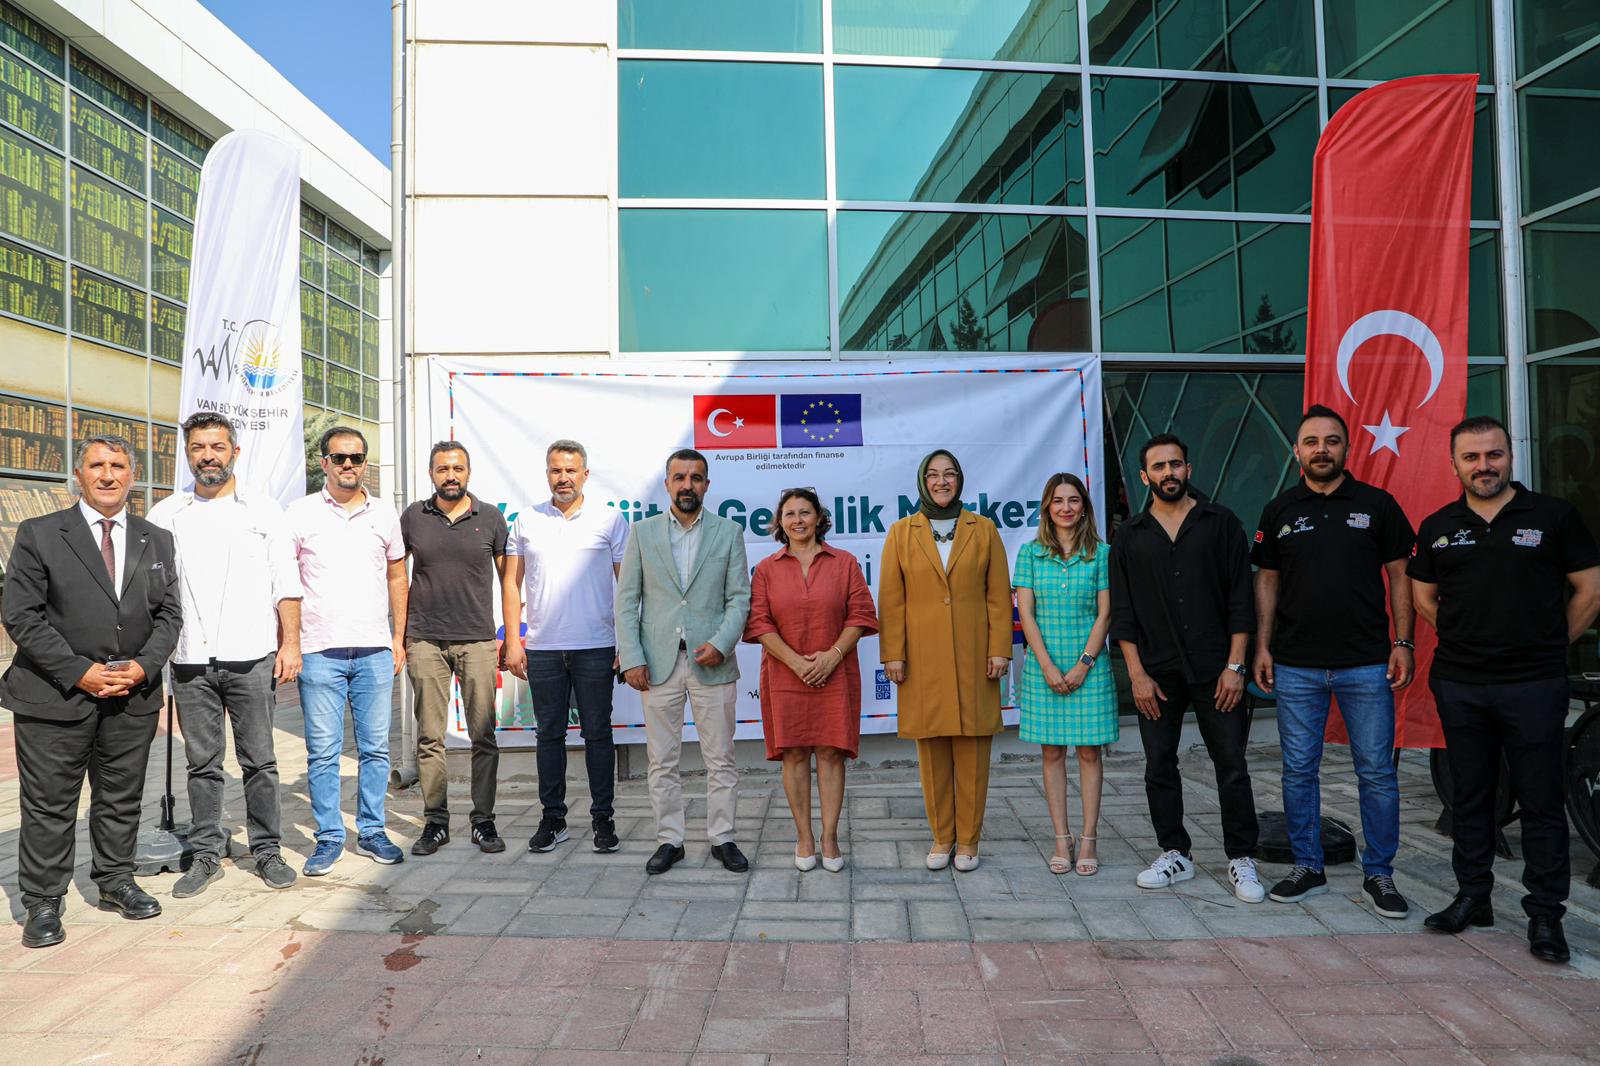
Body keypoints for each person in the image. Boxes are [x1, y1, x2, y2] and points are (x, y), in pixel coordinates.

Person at [1411, 415, 1600, 963]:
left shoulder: (1553, 516)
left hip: (1534, 684)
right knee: (1470, 797)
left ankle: (1545, 914)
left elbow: (1590, 591)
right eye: (1471, 457)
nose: (1483, 466)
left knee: (1541, 799)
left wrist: (1548, 645)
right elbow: (1423, 596)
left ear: (1509, 456)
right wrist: (1463, 637)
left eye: (1493, 454)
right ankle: (1474, 897)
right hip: (1460, 682)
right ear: (1454, 464)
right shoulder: (1438, 525)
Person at [1, 435, 181, 948]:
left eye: (118, 465)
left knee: (121, 797)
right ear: (78, 475)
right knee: (49, 805)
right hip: (54, 695)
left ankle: (115, 880)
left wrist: (144, 667)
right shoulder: (40, 533)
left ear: (132, 475)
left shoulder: (156, 538)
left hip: (131, 695)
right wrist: (78, 671)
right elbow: (21, 616)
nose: (108, 474)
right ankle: (43, 901)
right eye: (97, 465)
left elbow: (169, 614)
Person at [1252, 405, 1415, 918]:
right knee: (1299, 771)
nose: (1321, 449)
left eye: (1331, 440)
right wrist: (1262, 646)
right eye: (1311, 441)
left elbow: (1401, 575)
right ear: (1296, 451)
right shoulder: (1279, 509)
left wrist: (1403, 642)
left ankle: (1380, 873)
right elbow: (1267, 581)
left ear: (1347, 447)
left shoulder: (1377, 505)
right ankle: (1308, 865)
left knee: (1377, 772)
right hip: (1296, 664)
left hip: (1366, 663)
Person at [147, 413, 303, 898]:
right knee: (202, 764)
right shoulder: (165, 515)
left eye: (217, 446)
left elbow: (286, 583)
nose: (208, 456)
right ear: (187, 453)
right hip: (190, 660)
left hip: (252, 656)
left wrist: (291, 644)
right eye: (198, 447)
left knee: (260, 761)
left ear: (234, 451)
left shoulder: (264, 511)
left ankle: (267, 850)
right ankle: (206, 854)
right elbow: (151, 590)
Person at [1109, 433, 1264, 903]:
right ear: (1145, 477)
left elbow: (1241, 599)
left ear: (1188, 469)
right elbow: (1123, 613)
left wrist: (1236, 666)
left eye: (1175, 464)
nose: (1168, 473)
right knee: (1159, 764)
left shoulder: (1221, 523)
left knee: (1231, 764)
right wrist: (1136, 674)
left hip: (1217, 670)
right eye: (1158, 467)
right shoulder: (1130, 535)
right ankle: (1175, 852)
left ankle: (1242, 857)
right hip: (1156, 674)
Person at [615, 448, 752, 875]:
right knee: (662, 760)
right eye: (679, 478)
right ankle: (669, 840)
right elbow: (627, 601)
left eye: (695, 478)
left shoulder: (728, 532)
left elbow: (739, 598)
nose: (687, 485)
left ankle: (722, 837)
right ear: (667, 484)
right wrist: (632, 657)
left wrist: (722, 643)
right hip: (658, 665)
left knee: (721, 758)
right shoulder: (643, 533)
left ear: (707, 485)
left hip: (713, 662)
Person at [879, 450, 1011, 872]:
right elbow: (892, 601)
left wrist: (999, 648)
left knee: (973, 751)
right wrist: (893, 655)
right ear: (923, 482)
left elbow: (998, 596)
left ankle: (969, 841)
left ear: (960, 480)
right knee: (932, 751)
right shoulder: (901, 533)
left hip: (975, 657)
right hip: (922, 660)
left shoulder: (983, 529)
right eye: (933, 475)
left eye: (949, 474)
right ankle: (942, 837)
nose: (941, 482)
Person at [286, 426, 409, 876]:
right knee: (323, 752)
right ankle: (329, 837)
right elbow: (286, 583)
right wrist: (291, 644)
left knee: (375, 750)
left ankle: (372, 830)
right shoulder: (300, 514)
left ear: (365, 462)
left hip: (374, 650)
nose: (348, 465)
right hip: (320, 652)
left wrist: (397, 638)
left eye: (356, 457)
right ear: (324, 463)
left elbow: (397, 576)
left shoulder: (384, 514)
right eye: (339, 458)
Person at [503, 439, 629, 855]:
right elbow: (511, 584)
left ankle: (603, 820)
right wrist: (513, 640)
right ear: (547, 475)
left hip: (596, 646)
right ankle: (553, 819)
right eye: (556, 470)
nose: (563, 478)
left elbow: (628, 586)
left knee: (598, 734)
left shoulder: (610, 520)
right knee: (548, 736)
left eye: (571, 470)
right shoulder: (526, 520)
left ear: (585, 475)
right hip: (543, 648)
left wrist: (627, 642)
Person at [744, 487, 878, 872]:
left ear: (819, 518)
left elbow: (861, 615)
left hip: (835, 672)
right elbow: (759, 623)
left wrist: (832, 656)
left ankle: (830, 837)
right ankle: (804, 836)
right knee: (795, 753)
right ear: (780, 522)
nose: (798, 520)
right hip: (784, 674)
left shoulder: (844, 563)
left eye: (805, 512)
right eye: (790, 514)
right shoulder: (767, 569)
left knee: (832, 752)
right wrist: (795, 662)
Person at [402, 440, 511, 858]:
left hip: (478, 640)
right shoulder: (413, 517)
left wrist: (511, 634)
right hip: (425, 640)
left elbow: (510, 582)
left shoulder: (491, 518)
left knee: (483, 734)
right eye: (443, 468)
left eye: (458, 468)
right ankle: (435, 822)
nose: (451, 475)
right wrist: (401, 636)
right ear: (431, 473)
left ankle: (483, 820)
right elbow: (395, 576)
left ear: (468, 472)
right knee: (430, 736)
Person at [1014, 472, 1115, 877]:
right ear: (1047, 508)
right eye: (1058, 501)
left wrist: (1082, 664)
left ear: (1085, 508)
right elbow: (1026, 615)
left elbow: (1105, 614)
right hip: (1044, 668)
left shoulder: (1102, 554)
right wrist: (1048, 666)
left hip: (1090, 667)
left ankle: (1089, 839)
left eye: (1074, 500)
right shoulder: (1030, 554)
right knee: (1052, 752)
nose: (1066, 508)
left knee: (1089, 752)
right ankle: (1061, 838)